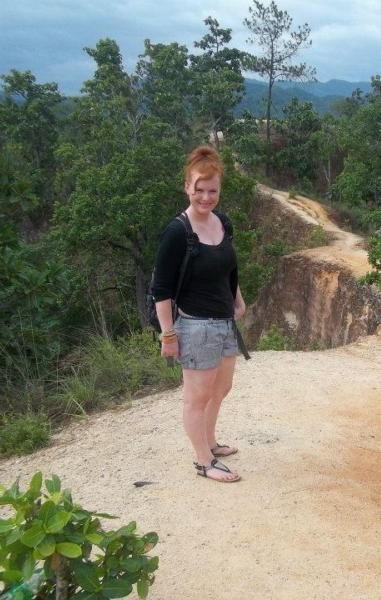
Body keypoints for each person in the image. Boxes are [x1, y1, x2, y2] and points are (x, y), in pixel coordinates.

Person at [152, 146, 246, 483]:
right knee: (197, 396)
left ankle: (209, 441)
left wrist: (238, 299)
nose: (206, 197)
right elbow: (160, 289)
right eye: (199, 189)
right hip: (195, 326)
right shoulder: (177, 232)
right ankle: (204, 461)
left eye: (212, 190)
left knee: (222, 388)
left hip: (224, 322)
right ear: (187, 187)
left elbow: (226, 267)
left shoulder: (222, 222)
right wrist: (168, 335)